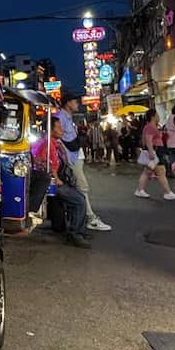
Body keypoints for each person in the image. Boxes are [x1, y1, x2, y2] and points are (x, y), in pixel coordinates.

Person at [31, 117, 91, 248]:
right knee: (79, 200)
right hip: (51, 183)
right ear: (51, 129)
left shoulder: (55, 144)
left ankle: (76, 229)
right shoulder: (46, 145)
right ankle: (75, 234)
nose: (62, 130)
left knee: (77, 196)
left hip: (59, 179)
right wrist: (56, 178)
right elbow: (42, 164)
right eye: (59, 128)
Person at [56, 92, 111, 231]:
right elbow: (57, 139)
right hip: (71, 158)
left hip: (75, 156)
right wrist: (65, 155)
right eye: (75, 101)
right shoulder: (60, 117)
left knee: (79, 188)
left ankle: (81, 217)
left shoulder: (67, 117)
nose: (77, 104)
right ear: (68, 103)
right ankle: (90, 218)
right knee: (82, 187)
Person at [135, 110, 175, 201]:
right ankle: (167, 192)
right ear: (153, 116)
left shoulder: (152, 126)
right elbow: (148, 141)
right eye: (157, 115)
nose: (158, 117)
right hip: (155, 151)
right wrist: (151, 153)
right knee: (161, 171)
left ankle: (140, 190)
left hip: (156, 150)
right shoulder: (150, 127)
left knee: (147, 171)